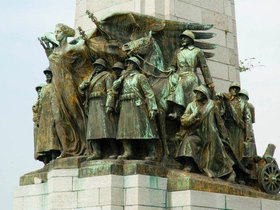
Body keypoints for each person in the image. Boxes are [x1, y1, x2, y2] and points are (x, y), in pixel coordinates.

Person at [39, 23, 91, 157]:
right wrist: (48, 53)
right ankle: (67, 149)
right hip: (56, 87)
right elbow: (55, 64)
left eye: (58, 32)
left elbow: (87, 49)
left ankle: (87, 145)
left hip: (68, 85)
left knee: (75, 115)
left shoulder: (72, 48)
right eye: (55, 32)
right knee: (58, 118)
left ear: (65, 33)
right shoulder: (55, 51)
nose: (56, 34)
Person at [175, 85, 235, 181]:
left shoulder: (212, 105)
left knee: (218, 149)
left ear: (205, 94)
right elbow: (184, 120)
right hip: (196, 133)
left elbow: (219, 121)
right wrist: (193, 116)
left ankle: (229, 172)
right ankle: (189, 164)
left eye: (200, 93)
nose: (197, 94)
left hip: (210, 134)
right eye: (197, 93)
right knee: (189, 141)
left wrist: (225, 135)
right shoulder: (191, 105)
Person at [112, 57, 159, 160]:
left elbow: (149, 93)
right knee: (124, 129)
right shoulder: (124, 78)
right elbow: (114, 88)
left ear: (134, 65)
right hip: (125, 105)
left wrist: (152, 108)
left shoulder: (140, 77)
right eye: (127, 63)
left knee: (145, 129)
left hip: (137, 105)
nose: (127, 65)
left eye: (129, 63)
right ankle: (127, 151)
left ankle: (152, 153)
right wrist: (121, 78)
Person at [167, 30, 214, 119]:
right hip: (178, 75)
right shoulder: (178, 51)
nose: (183, 39)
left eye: (185, 37)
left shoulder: (197, 51)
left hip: (191, 75)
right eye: (182, 38)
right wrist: (171, 69)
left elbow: (204, 67)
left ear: (190, 39)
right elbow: (173, 65)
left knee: (181, 85)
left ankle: (178, 112)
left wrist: (209, 81)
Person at [79, 58, 118, 160]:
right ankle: (97, 152)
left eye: (99, 65)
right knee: (92, 130)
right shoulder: (91, 78)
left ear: (103, 67)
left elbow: (110, 91)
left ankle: (115, 150)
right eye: (95, 65)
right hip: (92, 104)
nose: (96, 67)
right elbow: (83, 93)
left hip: (102, 103)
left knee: (107, 128)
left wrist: (110, 104)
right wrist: (82, 88)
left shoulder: (107, 75)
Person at [217, 83, 253, 161]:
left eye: (236, 88)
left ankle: (238, 166)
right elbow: (221, 113)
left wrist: (248, 134)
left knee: (238, 149)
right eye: (233, 88)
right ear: (230, 90)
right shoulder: (226, 100)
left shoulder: (243, 103)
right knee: (228, 148)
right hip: (228, 128)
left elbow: (248, 119)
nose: (234, 90)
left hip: (239, 129)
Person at [36, 68, 61, 164]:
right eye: (46, 74)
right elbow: (40, 105)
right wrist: (38, 119)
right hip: (43, 117)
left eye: (49, 73)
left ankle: (54, 155)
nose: (47, 75)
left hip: (53, 114)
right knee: (44, 139)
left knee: (53, 136)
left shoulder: (56, 86)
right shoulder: (44, 89)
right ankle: (46, 159)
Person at [239, 89, 257, 158]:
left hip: (245, 127)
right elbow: (252, 120)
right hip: (246, 127)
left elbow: (251, 120)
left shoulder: (250, 106)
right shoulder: (250, 106)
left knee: (249, 143)